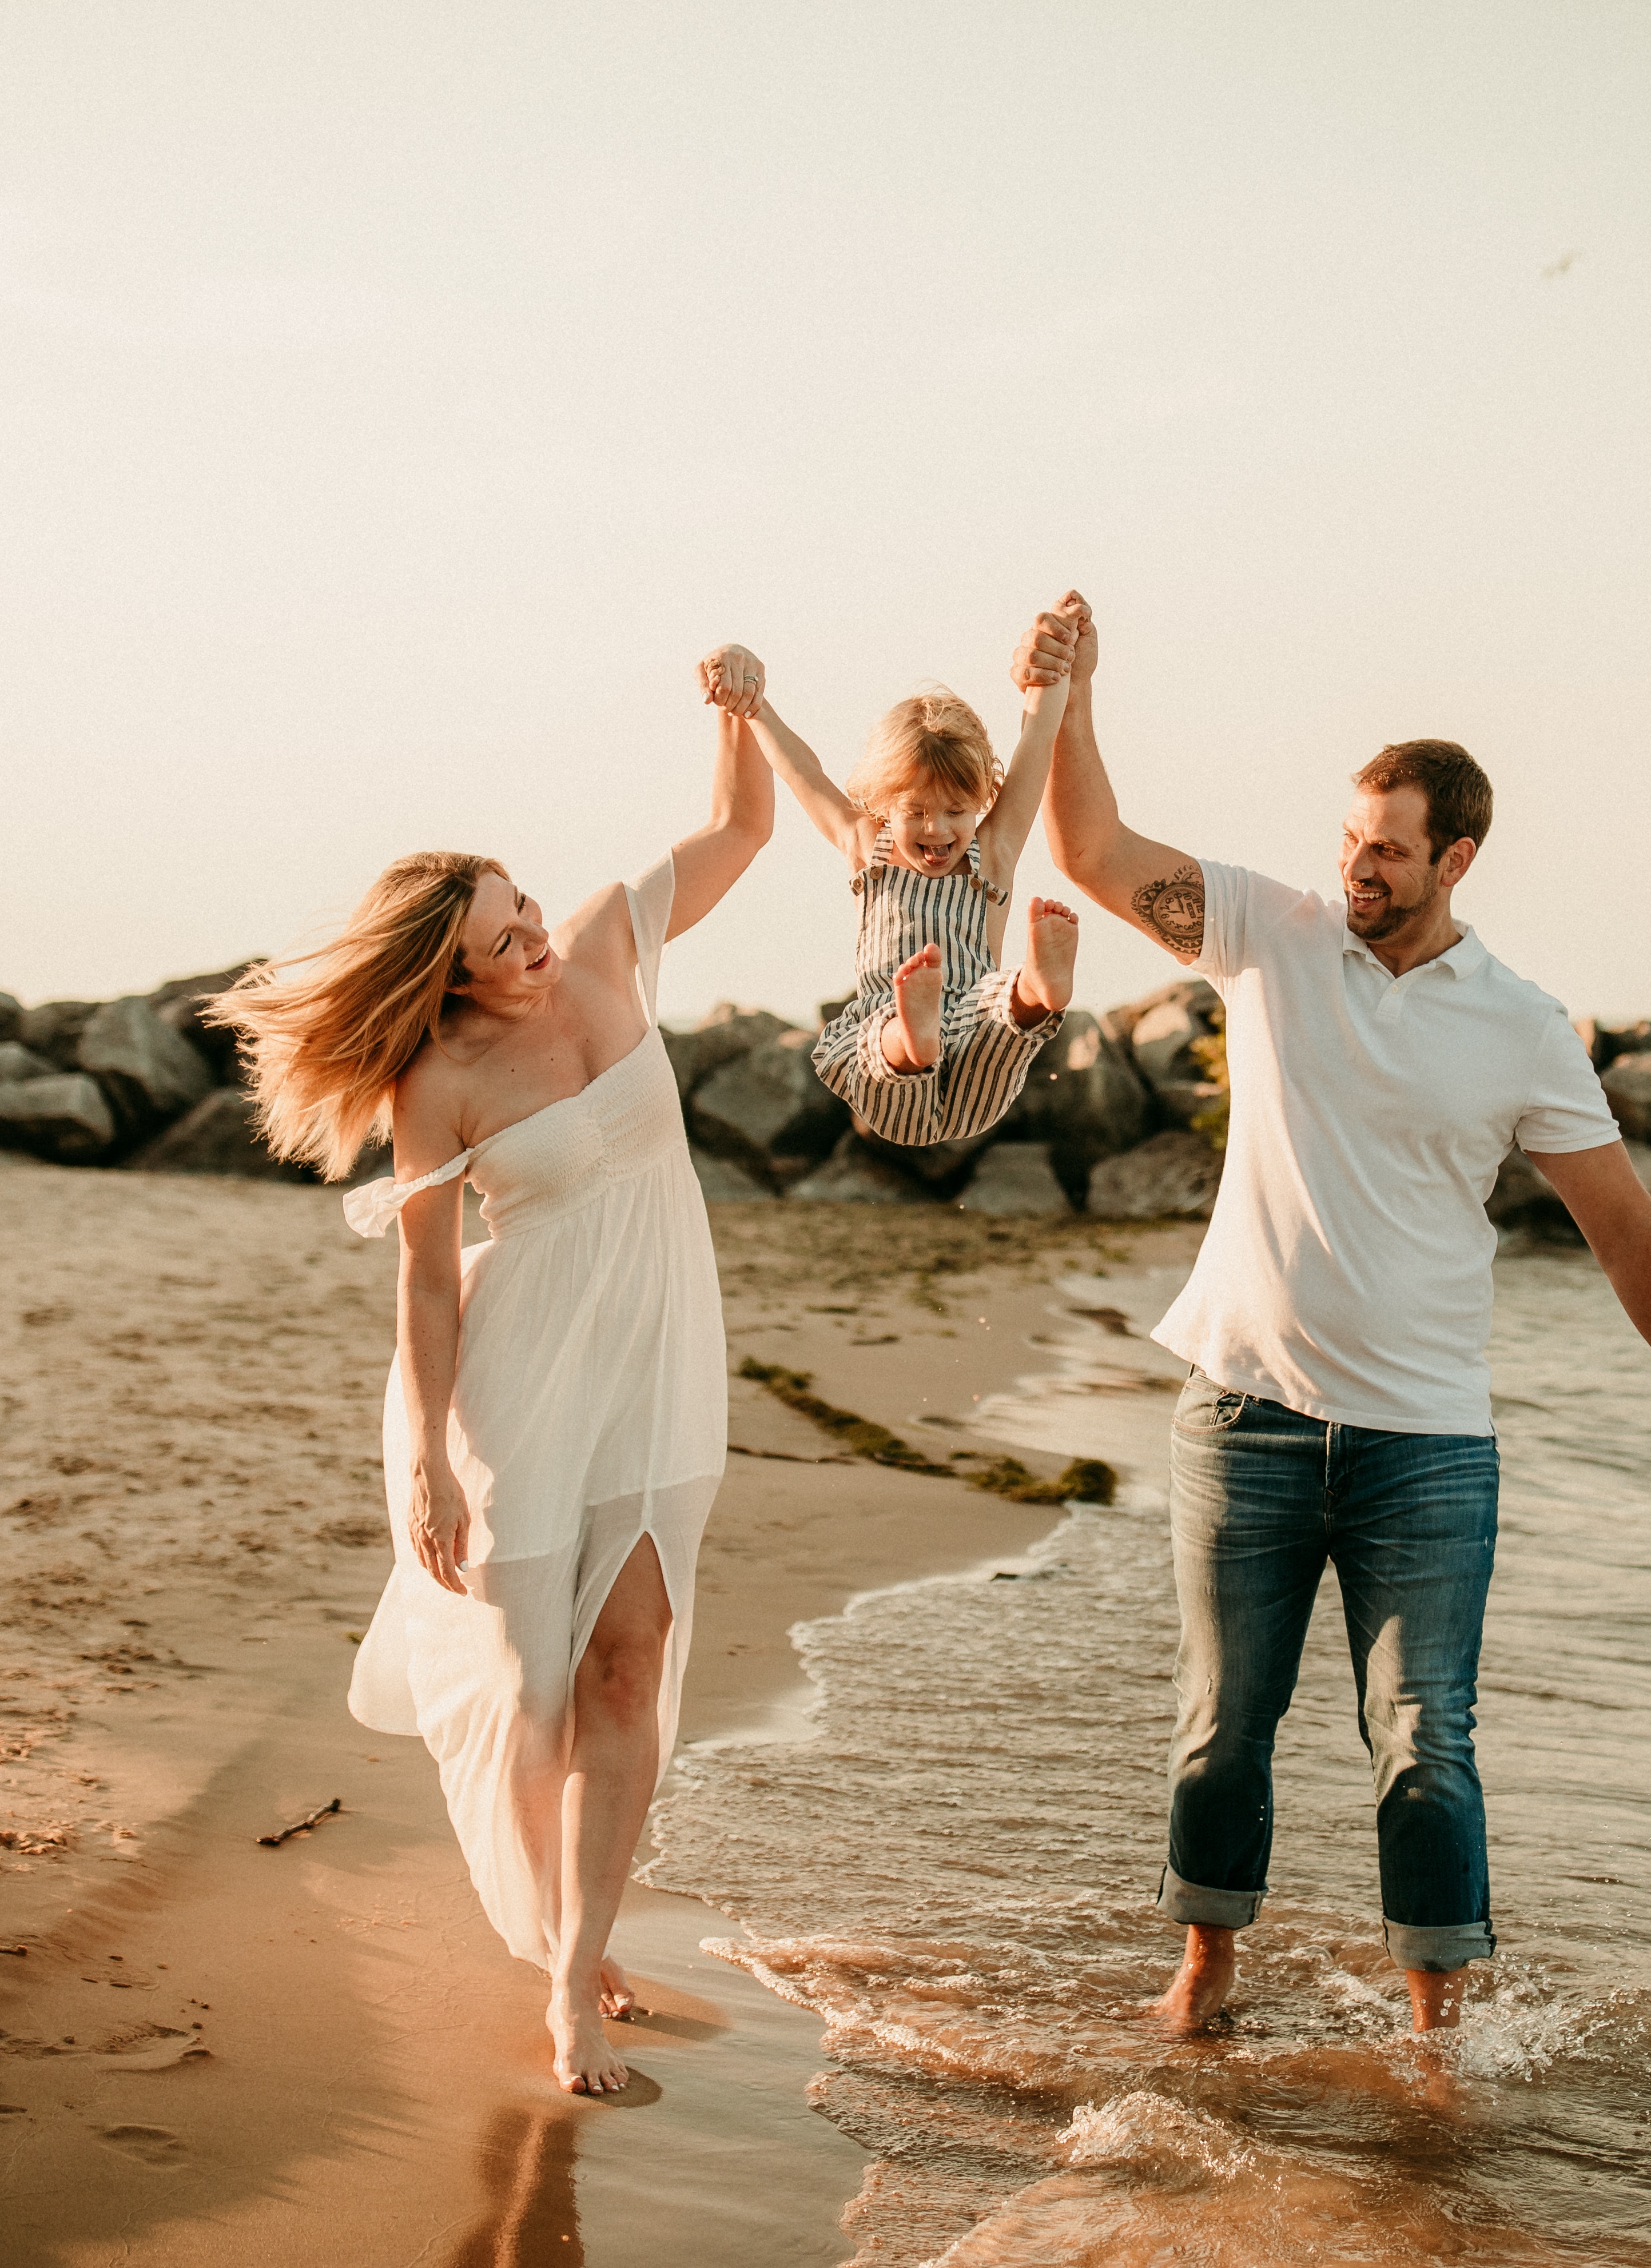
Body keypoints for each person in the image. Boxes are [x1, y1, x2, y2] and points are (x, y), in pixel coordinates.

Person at [1025, 593, 1651, 2037]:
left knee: (1425, 1741)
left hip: (1428, 1442)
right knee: (1221, 1729)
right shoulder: (1271, 932)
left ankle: (1435, 2028)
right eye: (1349, 838)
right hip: (1245, 1411)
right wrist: (1076, 692)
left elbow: (1623, 1221)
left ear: (1454, 858)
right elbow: (1091, 852)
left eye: (1386, 848)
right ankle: (1204, 1968)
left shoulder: (1521, 1024)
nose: (1355, 865)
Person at [202, 691, 771, 2095]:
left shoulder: (610, 941)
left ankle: (577, 1974)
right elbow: (432, 1283)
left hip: (656, 1362)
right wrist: (427, 1465)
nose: (529, 943)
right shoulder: (439, 1081)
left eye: (521, 910)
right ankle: (547, 1925)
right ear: (444, 976)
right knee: (530, 1697)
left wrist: (741, 713)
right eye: (495, 941)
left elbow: (741, 826)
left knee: (625, 1665)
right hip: (518, 1385)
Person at [697, 624, 1081, 1149]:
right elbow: (801, 770)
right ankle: (920, 1032)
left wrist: (1056, 659)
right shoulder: (866, 845)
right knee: (884, 1045)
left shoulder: (990, 854)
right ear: (882, 804)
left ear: (982, 801)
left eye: (955, 811)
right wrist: (756, 709)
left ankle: (1034, 990)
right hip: (900, 1059)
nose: (938, 829)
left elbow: (1037, 741)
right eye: (916, 812)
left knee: (994, 1018)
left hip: (975, 1052)